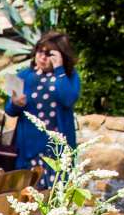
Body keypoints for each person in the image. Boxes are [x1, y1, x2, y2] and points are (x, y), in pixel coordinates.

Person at [9, 31, 81, 181]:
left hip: (57, 151)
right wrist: (15, 104)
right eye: (40, 51)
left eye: (49, 54)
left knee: (56, 196)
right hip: (29, 150)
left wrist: (59, 70)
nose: (42, 56)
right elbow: (9, 110)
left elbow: (68, 99)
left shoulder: (68, 76)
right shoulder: (24, 75)